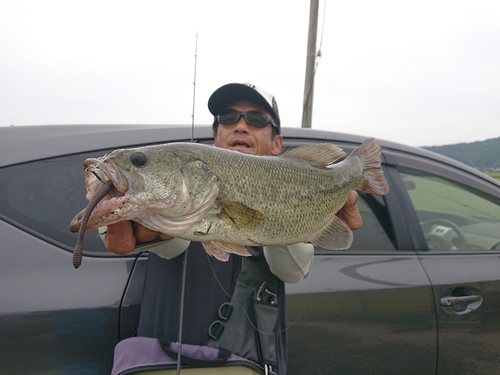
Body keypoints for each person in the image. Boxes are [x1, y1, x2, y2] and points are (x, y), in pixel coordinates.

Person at [104, 83, 362, 375]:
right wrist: (129, 215)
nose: (240, 126)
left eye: (256, 119)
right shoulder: (183, 188)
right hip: (162, 363)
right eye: (227, 118)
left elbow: (291, 271)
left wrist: (304, 204)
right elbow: (169, 244)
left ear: (277, 144)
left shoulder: (297, 185)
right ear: (215, 137)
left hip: (247, 364)